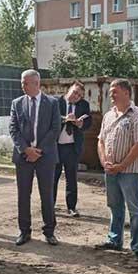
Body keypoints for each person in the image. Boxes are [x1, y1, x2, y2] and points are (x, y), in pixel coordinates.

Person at [94, 79, 138, 262]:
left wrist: (122, 165)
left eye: (115, 91)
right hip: (111, 170)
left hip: (130, 172)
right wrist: (104, 161)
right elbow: (101, 141)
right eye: (111, 91)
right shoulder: (108, 115)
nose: (111, 94)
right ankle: (114, 239)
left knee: (134, 208)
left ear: (126, 92)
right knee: (114, 206)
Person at [9, 69, 61, 246]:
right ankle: (24, 231)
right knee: (23, 195)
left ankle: (49, 231)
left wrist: (38, 150)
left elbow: (55, 128)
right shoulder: (17, 103)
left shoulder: (52, 103)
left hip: (45, 157)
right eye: (22, 83)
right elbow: (13, 129)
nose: (22, 86)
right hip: (23, 157)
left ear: (36, 83)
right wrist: (26, 150)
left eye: (25, 83)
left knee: (47, 194)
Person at [54, 80, 92, 217]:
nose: (76, 97)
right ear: (69, 89)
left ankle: (71, 207)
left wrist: (81, 124)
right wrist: (65, 119)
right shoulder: (56, 102)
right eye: (75, 92)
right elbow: (49, 119)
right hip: (56, 146)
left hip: (72, 147)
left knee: (71, 178)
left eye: (79, 95)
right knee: (53, 177)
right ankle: (50, 205)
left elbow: (89, 122)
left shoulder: (84, 105)